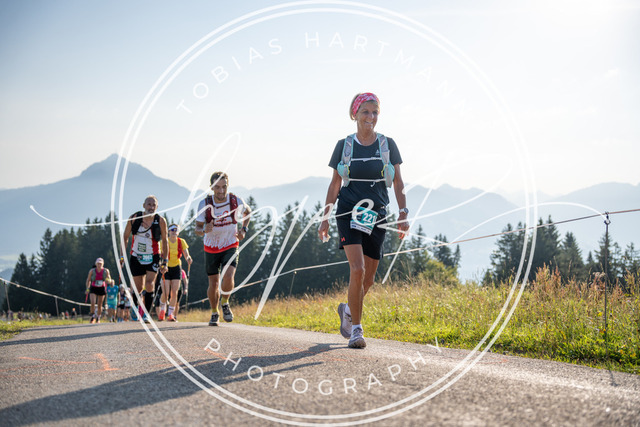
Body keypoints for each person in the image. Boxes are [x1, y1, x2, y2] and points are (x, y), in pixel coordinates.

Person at [318, 92, 409, 349]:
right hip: (348, 211)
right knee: (357, 269)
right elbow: (335, 184)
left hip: (377, 213)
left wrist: (403, 213)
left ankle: (348, 309)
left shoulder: (388, 144)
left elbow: (398, 182)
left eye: (375, 112)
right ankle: (356, 330)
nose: (371, 117)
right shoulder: (344, 146)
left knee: (368, 279)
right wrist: (325, 218)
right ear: (354, 114)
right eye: (366, 112)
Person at [195, 172, 251, 326]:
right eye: (217, 187)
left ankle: (225, 302)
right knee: (213, 283)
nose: (221, 191)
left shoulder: (235, 200)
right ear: (212, 187)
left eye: (224, 187)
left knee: (228, 275)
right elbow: (197, 229)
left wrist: (244, 230)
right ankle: (214, 312)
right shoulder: (204, 204)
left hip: (230, 243)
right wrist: (204, 229)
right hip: (211, 246)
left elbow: (248, 213)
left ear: (228, 186)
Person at [122, 195, 169, 323]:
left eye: (154, 205)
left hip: (153, 256)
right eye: (149, 204)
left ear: (157, 207)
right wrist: (122, 256)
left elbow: (165, 241)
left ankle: (146, 314)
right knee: (138, 288)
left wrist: (165, 261)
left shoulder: (160, 221)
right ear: (144, 205)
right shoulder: (134, 218)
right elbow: (125, 237)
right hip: (136, 256)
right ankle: (135, 306)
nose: (151, 207)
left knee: (149, 284)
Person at [158, 224, 192, 322]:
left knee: (174, 292)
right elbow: (158, 253)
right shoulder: (164, 242)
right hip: (166, 267)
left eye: (176, 230)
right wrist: (160, 264)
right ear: (168, 231)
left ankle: (170, 314)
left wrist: (188, 258)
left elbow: (186, 253)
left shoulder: (181, 241)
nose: (174, 231)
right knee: (165, 292)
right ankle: (162, 310)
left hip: (177, 267)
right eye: (172, 230)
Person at [85, 258, 114, 324]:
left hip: (101, 288)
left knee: (99, 304)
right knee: (93, 302)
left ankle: (98, 317)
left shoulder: (106, 271)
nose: (99, 265)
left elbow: (110, 279)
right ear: (96, 264)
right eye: (98, 263)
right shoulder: (92, 271)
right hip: (93, 287)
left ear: (103, 264)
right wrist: (87, 289)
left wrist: (108, 280)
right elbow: (88, 280)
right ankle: (93, 316)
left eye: (100, 264)